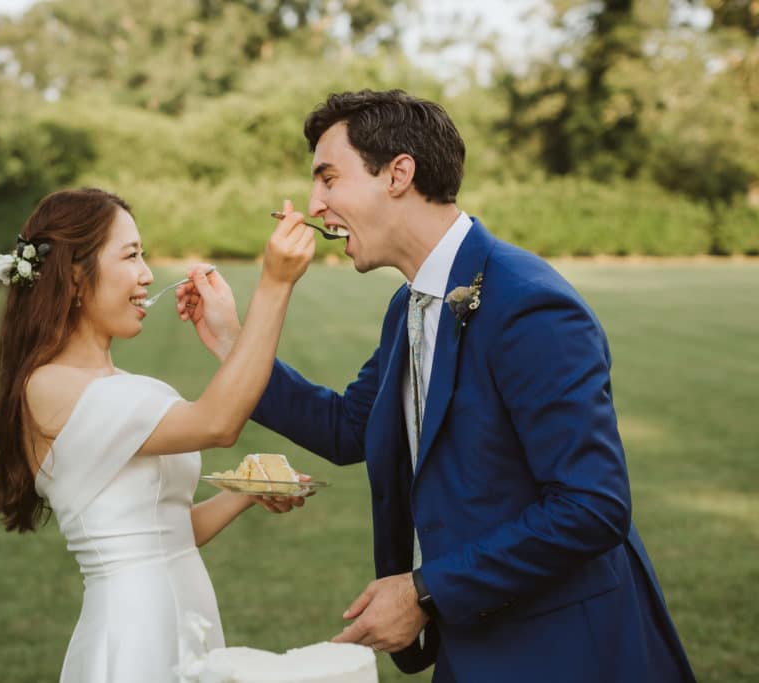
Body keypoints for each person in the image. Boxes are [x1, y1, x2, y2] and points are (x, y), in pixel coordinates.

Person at [176, 90, 696, 682]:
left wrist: (425, 591)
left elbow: (592, 505)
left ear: (399, 173)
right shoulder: (409, 306)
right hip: (471, 644)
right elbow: (350, 428)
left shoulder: (527, 303)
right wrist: (232, 341)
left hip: (566, 647)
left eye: (328, 178)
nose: (315, 206)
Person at [0, 188, 315, 683]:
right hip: (133, 637)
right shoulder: (49, 388)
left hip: (190, 624)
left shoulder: (132, 389)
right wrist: (275, 284)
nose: (147, 274)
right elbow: (217, 423)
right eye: (131, 255)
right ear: (75, 274)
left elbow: (169, 534)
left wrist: (248, 492)